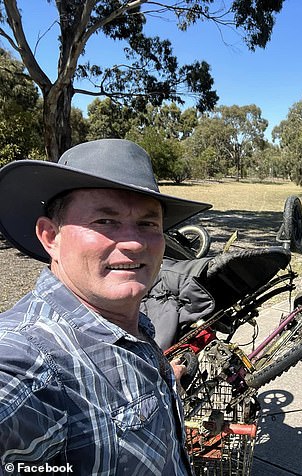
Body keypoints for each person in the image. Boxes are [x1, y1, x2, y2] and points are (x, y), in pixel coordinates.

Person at [0, 139, 211, 474]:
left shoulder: (129, 322)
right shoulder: (31, 362)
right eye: (105, 222)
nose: (134, 243)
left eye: (148, 223)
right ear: (51, 236)